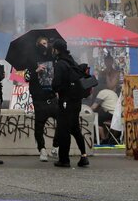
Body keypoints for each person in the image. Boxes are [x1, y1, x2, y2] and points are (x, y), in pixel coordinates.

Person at [51, 38, 89, 168]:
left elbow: (56, 84)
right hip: (76, 101)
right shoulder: (71, 61)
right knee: (75, 128)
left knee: (63, 130)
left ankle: (64, 159)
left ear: (56, 50)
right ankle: (84, 156)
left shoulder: (60, 64)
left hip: (65, 101)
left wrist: (55, 88)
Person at [24, 36, 59, 162]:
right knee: (39, 126)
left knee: (61, 122)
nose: (45, 45)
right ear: (37, 45)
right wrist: (36, 71)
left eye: (46, 43)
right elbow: (26, 77)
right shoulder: (32, 59)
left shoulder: (53, 58)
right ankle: (42, 150)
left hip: (52, 96)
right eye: (42, 43)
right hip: (39, 98)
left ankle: (55, 147)